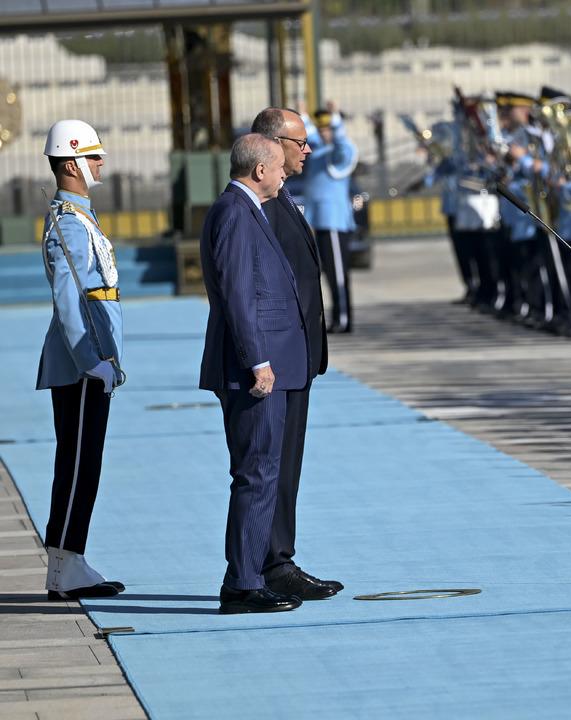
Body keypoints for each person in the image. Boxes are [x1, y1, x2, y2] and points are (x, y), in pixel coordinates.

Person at [199, 134, 303, 615]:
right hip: (250, 369)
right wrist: (257, 359)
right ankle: (242, 583)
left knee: (262, 471)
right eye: (280, 166)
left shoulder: (247, 209)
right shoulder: (234, 212)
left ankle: (247, 575)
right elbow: (239, 293)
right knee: (256, 472)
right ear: (259, 170)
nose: (285, 174)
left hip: (260, 363)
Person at [250, 106, 342, 601]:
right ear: (273, 144)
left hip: (297, 358)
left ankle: (278, 557)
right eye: (299, 141)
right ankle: (266, 564)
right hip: (272, 360)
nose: (307, 149)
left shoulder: (283, 198)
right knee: (267, 467)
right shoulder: (257, 205)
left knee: (287, 466)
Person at [38, 119, 126, 601]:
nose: (100, 163)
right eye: (92, 156)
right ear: (71, 163)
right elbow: (70, 296)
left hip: (92, 357)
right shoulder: (68, 223)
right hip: (80, 363)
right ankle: (65, 567)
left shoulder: (81, 217)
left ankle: (71, 561)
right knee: (77, 462)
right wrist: (91, 359)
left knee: (84, 460)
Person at [302, 102, 358, 333]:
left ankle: (343, 318)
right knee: (329, 273)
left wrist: (335, 120)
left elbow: (343, 147)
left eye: (329, 129)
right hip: (319, 220)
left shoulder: (340, 153)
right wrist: (303, 114)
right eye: (322, 129)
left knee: (338, 274)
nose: (324, 133)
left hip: (334, 221)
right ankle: (336, 317)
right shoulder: (319, 150)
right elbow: (311, 137)